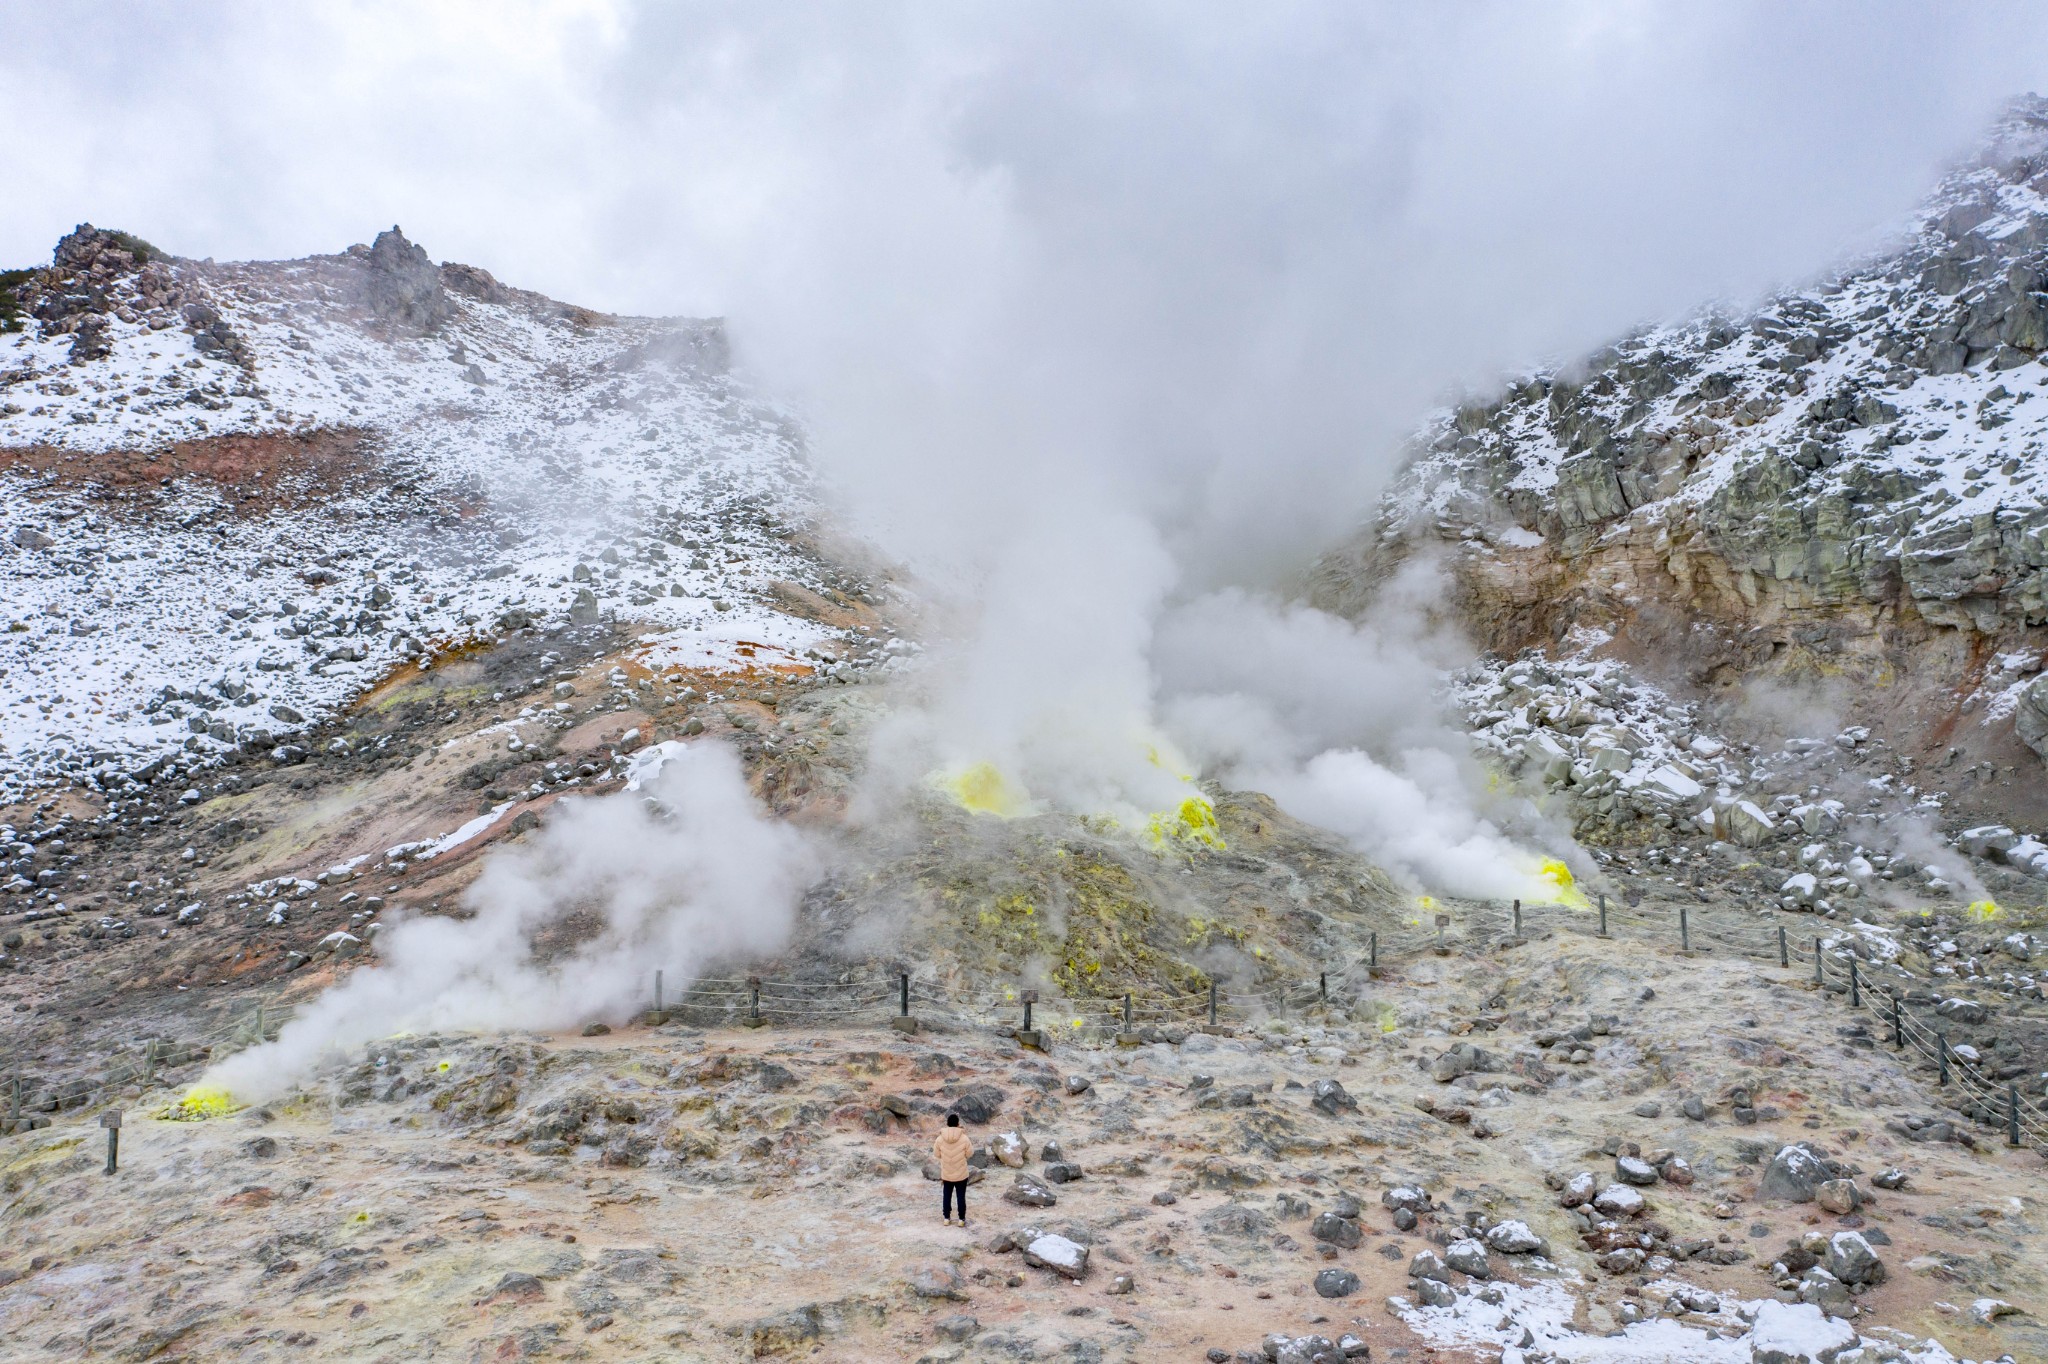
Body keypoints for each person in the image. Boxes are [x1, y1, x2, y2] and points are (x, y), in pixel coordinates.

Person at [933, 1112, 972, 1226]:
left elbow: (936, 1154)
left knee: (947, 1195)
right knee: (961, 1196)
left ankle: (946, 1218)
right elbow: (970, 1153)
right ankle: (961, 1219)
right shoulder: (964, 1138)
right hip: (961, 1172)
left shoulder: (940, 1139)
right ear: (958, 1124)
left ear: (947, 1124)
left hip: (947, 1172)